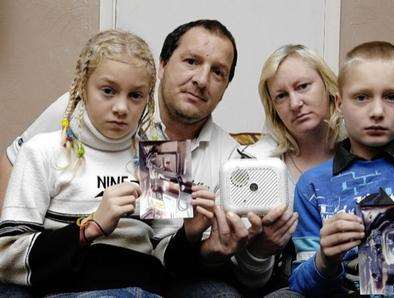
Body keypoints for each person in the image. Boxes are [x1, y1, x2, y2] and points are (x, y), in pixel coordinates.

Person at [0, 20, 293, 296]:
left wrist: (189, 235)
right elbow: (8, 250)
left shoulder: (161, 155)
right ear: (81, 91)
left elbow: (165, 256)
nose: (120, 108)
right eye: (107, 91)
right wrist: (89, 226)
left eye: (136, 96)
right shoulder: (47, 143)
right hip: (68, 279)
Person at [289, 41, 394, 296]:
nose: (377, 111)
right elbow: (299, 285)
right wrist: (325, 259)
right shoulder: (313, 185)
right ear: (339, 104)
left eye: (392, 97)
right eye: (361, 97)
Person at [237, 44, 344, 296]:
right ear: (273, 108)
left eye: (303, 86)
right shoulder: (255, 163)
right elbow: (246, 279)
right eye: (281, 96)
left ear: (329, 88)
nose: (295, 103)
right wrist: (261, 249)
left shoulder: (363, 148)